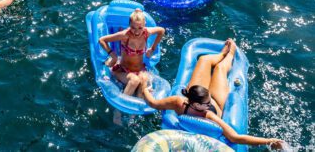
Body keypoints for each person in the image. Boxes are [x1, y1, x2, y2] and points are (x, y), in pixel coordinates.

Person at [141, 40, 285, 149]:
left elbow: (235, 137)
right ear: (194, 103)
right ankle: (224, 54)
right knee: (213, 65)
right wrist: (144, 86)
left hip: (216, 99)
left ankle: (229, 53)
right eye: (206, 104)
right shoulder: (184, 105)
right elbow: (153, 103)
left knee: (212, 64)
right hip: (211, 99)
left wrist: (269, 141)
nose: (209, 105)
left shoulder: (204, 111)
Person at [98, 8, 165, 97]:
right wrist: (113, 56)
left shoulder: (146, 33)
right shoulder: (125, 35)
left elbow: (161, 31)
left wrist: (152, 48)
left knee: (143, 80)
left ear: (144, 25)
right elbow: (102, 40)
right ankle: (118, 109)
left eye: (140, 27)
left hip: (140, 69)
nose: (136, 31)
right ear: (129, 25)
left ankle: (135, 108)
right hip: (123, 70)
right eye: (133, 27)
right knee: (135, 81)